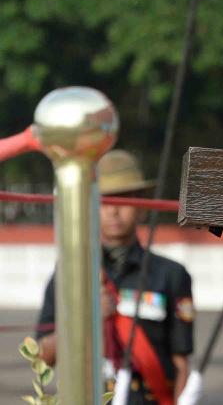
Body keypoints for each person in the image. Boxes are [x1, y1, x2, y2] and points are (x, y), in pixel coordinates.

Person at [36, 149, 194, 404]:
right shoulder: (70, 274)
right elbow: (41, 356)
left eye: (123, 198)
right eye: (104, 200)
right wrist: (87, 320)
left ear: (142, 205)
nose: (113, 210)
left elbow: (181, 365)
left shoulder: (171, 275)